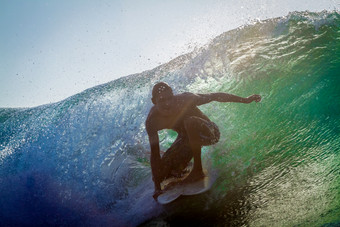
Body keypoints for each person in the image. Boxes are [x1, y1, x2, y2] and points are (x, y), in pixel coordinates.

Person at [145, 82, 261, 199]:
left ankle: (197, 170)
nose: (168, 103)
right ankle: (182, 166)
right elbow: (154, 154)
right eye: (162, 100)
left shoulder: (185, 100)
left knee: (190, 122)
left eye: (170, 98)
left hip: (209, 133)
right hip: (186, 140)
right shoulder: (152, 121)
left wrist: (245, 100)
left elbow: (215, 96)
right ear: (154, 101)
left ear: (173, 95)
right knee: (162, 174)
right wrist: (157, 187)